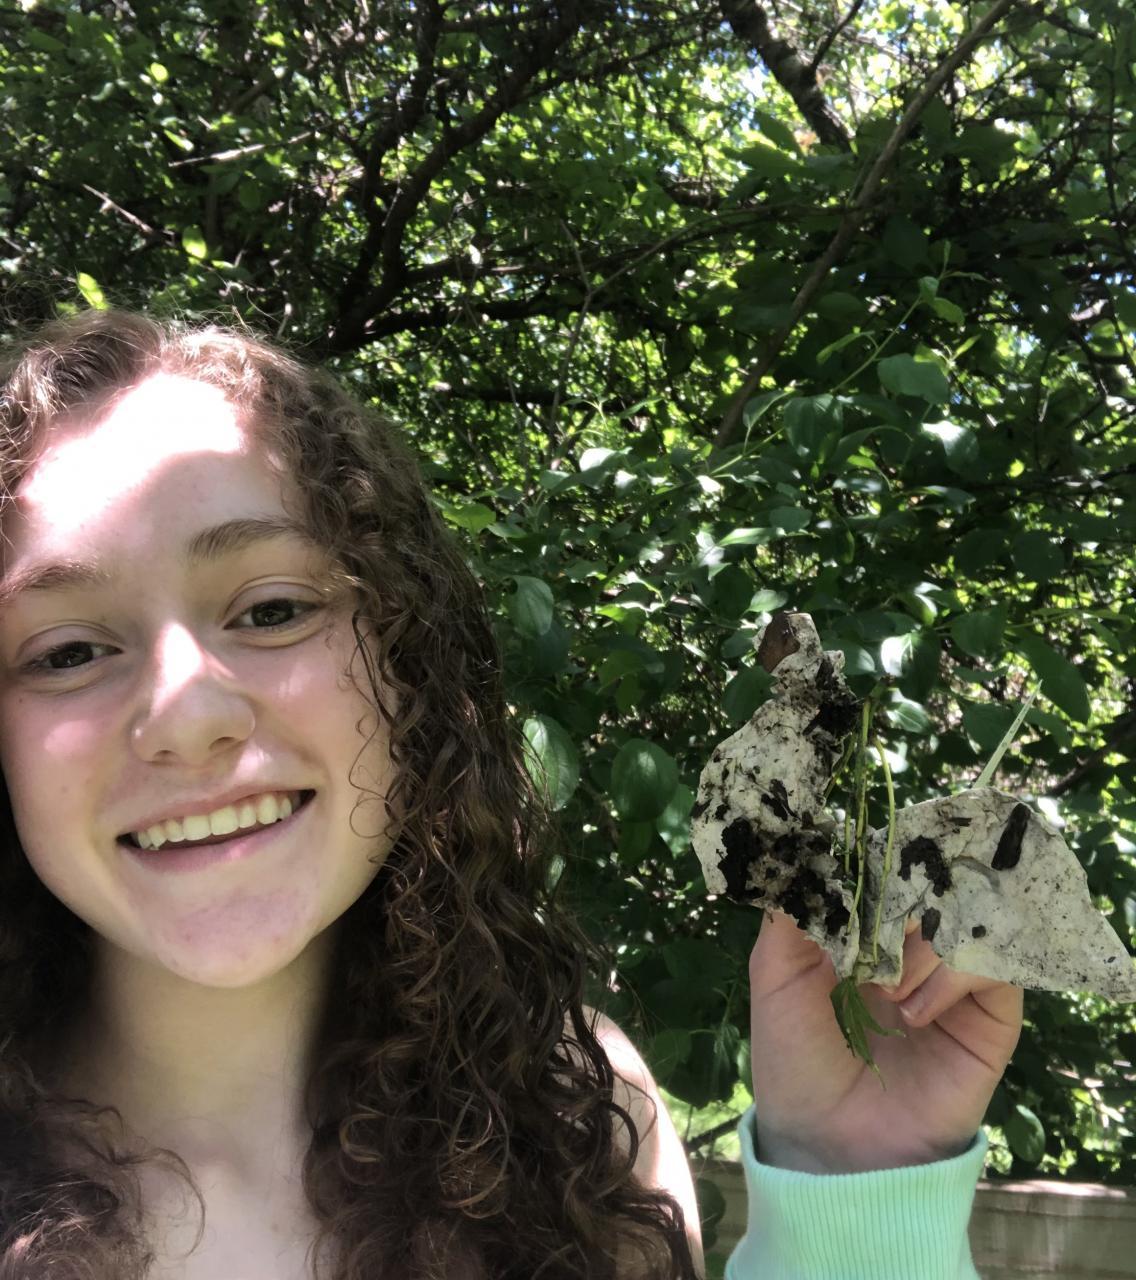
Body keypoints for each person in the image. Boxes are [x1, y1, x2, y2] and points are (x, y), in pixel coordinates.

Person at [0, 309, 1023, 1279]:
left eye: (271, 609)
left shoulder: (580, 1125)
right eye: (67, 652)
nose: (186, 715)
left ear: (409, 660)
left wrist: (856, 1186)